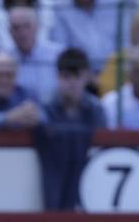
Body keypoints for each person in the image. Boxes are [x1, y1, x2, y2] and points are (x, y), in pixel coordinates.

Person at [35, 46, 105, 208]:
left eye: (77, 77)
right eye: (66, 77)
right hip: (54, 179)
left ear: (86, 77)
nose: (72, 83)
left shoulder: (95, 109)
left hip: (87, 177)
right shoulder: (46, 107)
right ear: (57, 77)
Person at [49, 0, 122, 74]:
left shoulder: (115, 1)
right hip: (76, 76)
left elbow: (124, 44)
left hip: (114, 74)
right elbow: (61, 50)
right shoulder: (57, 6)